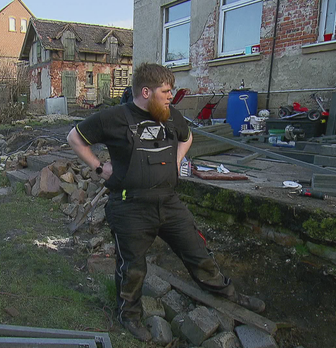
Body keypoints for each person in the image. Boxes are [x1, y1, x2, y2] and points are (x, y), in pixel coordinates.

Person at [67, 63, 264, 342]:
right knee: (132, 267)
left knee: (197, 251)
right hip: (129, 207)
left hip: (169, 203)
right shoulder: (114, 118)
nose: (171, 96)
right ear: (146, 92)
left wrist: (176, 159)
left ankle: (227, 293)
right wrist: (100, 168)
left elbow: (188, 136)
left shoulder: (170, 116)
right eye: (166, 91)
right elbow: (74, 138)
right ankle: (130, 315)